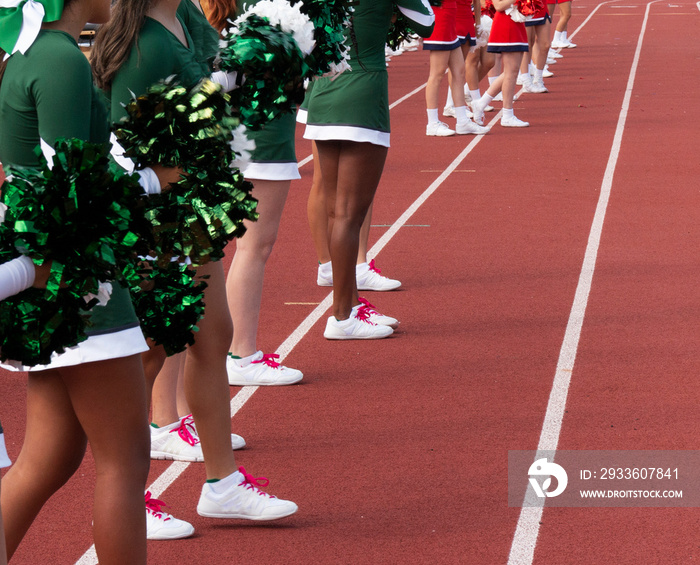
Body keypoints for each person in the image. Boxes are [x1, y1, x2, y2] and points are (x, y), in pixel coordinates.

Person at [91, 0, 298, 524]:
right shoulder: (144, 44)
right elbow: (133, 148)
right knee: (148, 356)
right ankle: (127, 504)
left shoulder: (183, 15)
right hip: (158, 220)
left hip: (195, 207)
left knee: (212, 337)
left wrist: (273, 51)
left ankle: (222, 485)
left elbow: (217, 74)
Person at [0, 0, 157, 560]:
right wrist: (151, 183)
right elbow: (70, 185)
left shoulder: (33, 53)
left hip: (60, 280)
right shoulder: (59, 58)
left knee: (49, 458)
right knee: (126, 460)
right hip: (81, 285)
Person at [304, 0, 435, 339]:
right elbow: (427, 23)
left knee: (336, 211)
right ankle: (342, 317)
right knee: (349, 215)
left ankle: (350, 304)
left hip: (322, 91)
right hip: (362, 92)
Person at [424, 0, 485, 136]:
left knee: (459, 71)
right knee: (437, 73)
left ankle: (462, 121)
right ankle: (432, 123)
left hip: (451, 19)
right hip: (441, 18)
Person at [471, 0, 530, 127]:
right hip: (505, 24)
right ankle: (507, 115)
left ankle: (481, 104)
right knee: (511, 72)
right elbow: (498, 5)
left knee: (512, 71)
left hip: (516, 23)